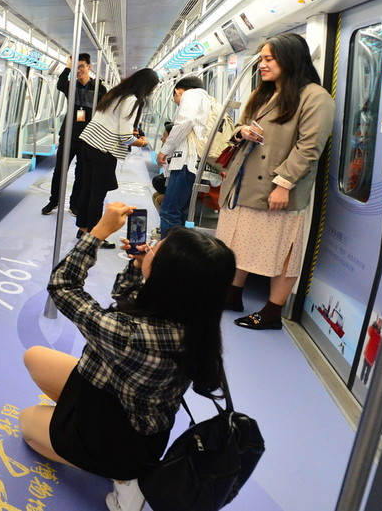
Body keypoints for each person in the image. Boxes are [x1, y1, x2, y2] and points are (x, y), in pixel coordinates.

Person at [19, 202, 234, 511]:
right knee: (36, 358)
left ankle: (127, 483)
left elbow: (62, 286)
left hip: (114, 441)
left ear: (167, 278)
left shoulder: (130, 335)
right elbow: (125, 304)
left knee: (27, 423)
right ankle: (117, 464)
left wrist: (97, 233)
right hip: (127, 408)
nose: (151, 247)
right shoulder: (193, 318)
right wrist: (137, 268)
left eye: (157, 251)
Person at [218, 33, 335, 329]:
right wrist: (242, 131)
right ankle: (232, 294)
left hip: (276, 187)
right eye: (261, 59)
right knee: (238, 241)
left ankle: (273, 312)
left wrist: (283, 183)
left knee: (282, 248)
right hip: (244, 183)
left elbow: (309, 147)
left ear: (290, 59)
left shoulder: (315, 97)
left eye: (269, 59)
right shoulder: (266, 93)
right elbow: (242, 124)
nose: (262, 65)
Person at [74, 68, 158, 247]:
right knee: (97, 193)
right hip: (103, 150)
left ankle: (83, 229)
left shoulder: (116, 93)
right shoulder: (132, 100)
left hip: (88, 143)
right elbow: (125, 137)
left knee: (87, 188)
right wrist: (141, 142)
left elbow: (113, 123)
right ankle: (94, 235)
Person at [42, 53, 106, 215]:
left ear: (89, 67)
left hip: (88, 136)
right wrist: (68, 67)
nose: (79, 71)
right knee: (60, 169)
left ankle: (74, 204)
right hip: (69, 133)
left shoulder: (99, 88)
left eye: (82, 67)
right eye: (76, 68)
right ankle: (54, 201)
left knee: (82, 172)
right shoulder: (70, 86)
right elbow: (60, 84)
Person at [156, 76, 215, 235]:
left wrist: (165, 150)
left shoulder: (190, 95)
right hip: (196, 163)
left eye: (176, 99)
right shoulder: (208, 100)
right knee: (181, 211)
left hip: (185, 162)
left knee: (169, 211)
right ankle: (179, 250)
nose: (177, 103)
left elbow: (185, 122)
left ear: (178, 91)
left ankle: (168, 252)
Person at [361, 317, 382, 384]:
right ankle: (360, 382)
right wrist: (374, 325)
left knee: (366, 374)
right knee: (364, 371)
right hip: (368, 357)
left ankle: (363, 384)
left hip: (371, 359)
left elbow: (380, 350)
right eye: (378, 326)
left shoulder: (379, 337)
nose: (379, 327)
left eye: (380, 326)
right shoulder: (373, 332)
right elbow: (369, 330)